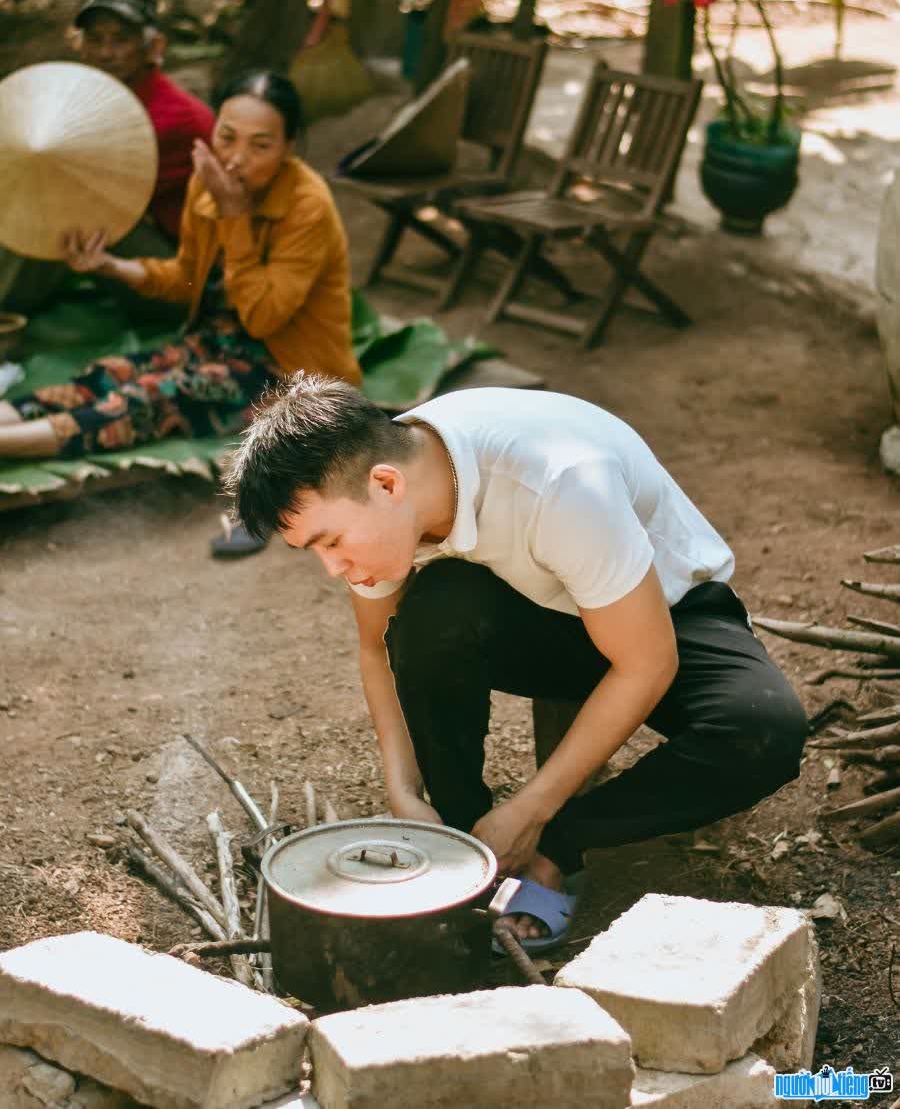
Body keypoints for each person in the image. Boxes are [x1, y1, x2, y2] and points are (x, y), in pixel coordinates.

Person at [223, 375, 808, 952]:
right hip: (538, 608)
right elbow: (378, 645)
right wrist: (404, 790)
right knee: (432, 613)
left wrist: (535, 808)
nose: (334, 568)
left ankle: (554, 848)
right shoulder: (385, 490)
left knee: (761, 730)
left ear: (386, 484)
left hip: (666, 614)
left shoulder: (560, 482)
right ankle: (467, 838)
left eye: (331, 542)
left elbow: (646, 661)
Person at [0, 75, 362, 542]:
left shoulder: (308, 207)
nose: (235, 159)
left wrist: (234, 220)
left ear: (289, 147)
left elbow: (262, 318)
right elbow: (183, 276)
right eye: (226, 137)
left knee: (150, 398)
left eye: (260, 146)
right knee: (108, 375)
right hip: (212, 343)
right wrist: (111, 266)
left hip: (284, 371)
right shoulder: (207, 184)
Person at [0, 0, 214, 316]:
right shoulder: (83, 100)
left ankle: (9, 306)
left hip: (178, 272)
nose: (105, 52)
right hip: (127, 241)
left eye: (121, 39)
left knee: (63, 211)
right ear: (80, 45)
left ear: (153, 46)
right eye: (96, 39)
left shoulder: (179, 119)